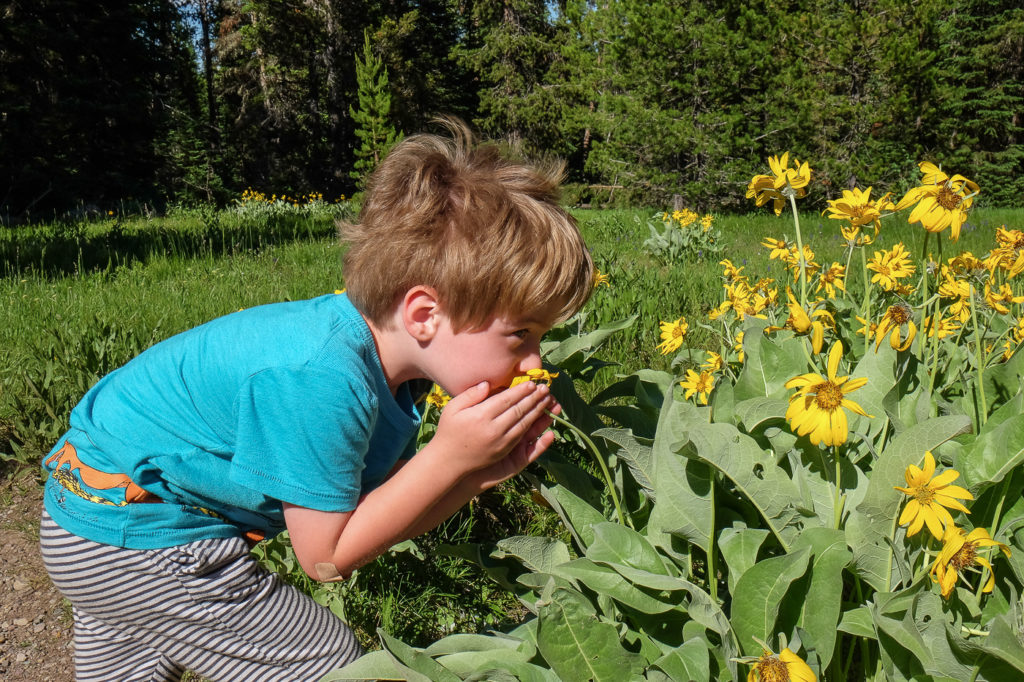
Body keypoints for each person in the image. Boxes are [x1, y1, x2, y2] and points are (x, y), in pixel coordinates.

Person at [39, 118, 594, 681]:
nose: (535, 363)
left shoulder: (396, 368)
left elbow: (379, 516)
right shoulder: (324, 379)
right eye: (521, 334)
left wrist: (473, 474)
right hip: (138, 535)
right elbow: (327, 558)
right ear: (425, 315)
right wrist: (448, 457)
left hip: (89, 523)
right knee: (333, 666)